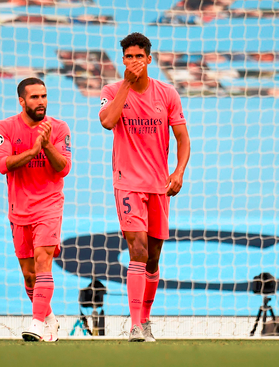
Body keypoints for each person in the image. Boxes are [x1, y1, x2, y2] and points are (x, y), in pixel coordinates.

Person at [99, 33, 191, 342]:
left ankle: (146, 319)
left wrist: (178, 172)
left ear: (149, 59)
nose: (135, 62)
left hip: (159, 186)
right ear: (122, 60)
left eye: (140, 56)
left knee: (153, 257)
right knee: (136, 248)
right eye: (129, 57)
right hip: (127, 183)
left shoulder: (166, 94)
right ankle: (135, 325)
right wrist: (125, 84)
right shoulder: (112, 90)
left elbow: (182, 138)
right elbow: (107, 122)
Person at [0, 78, 72, 342]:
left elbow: (64, 168)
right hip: (19, 210)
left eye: (44, 96)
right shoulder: (4, 127)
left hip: (49, 205)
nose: (41, 102)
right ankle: (49, 319)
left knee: (43, 263)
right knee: (29, 277)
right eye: (35, 97)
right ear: (22, 101)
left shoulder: (58, 129)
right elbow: (3, 164)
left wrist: (47, 145)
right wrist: (32, 151)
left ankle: (36, 323)